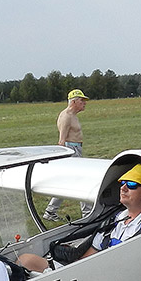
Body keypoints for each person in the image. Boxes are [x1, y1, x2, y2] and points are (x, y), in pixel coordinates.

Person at [20, 164, 141, 272]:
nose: (123, 188)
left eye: (132, 185)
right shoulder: (114, 219)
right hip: (92, 274)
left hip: (116, 276)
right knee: (25, 260)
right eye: (122, 183)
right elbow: (86, 260)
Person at [44, 88, 92, 221]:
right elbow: (61, 140)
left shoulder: (72, 116)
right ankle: (87, 214)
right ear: (74, 102)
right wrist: (64, 157)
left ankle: (50, 211)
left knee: (67, 183)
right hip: (71, 150)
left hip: (76, 149)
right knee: (82, 179)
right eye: (82, 100)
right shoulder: (66, 116)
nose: (85, 103)